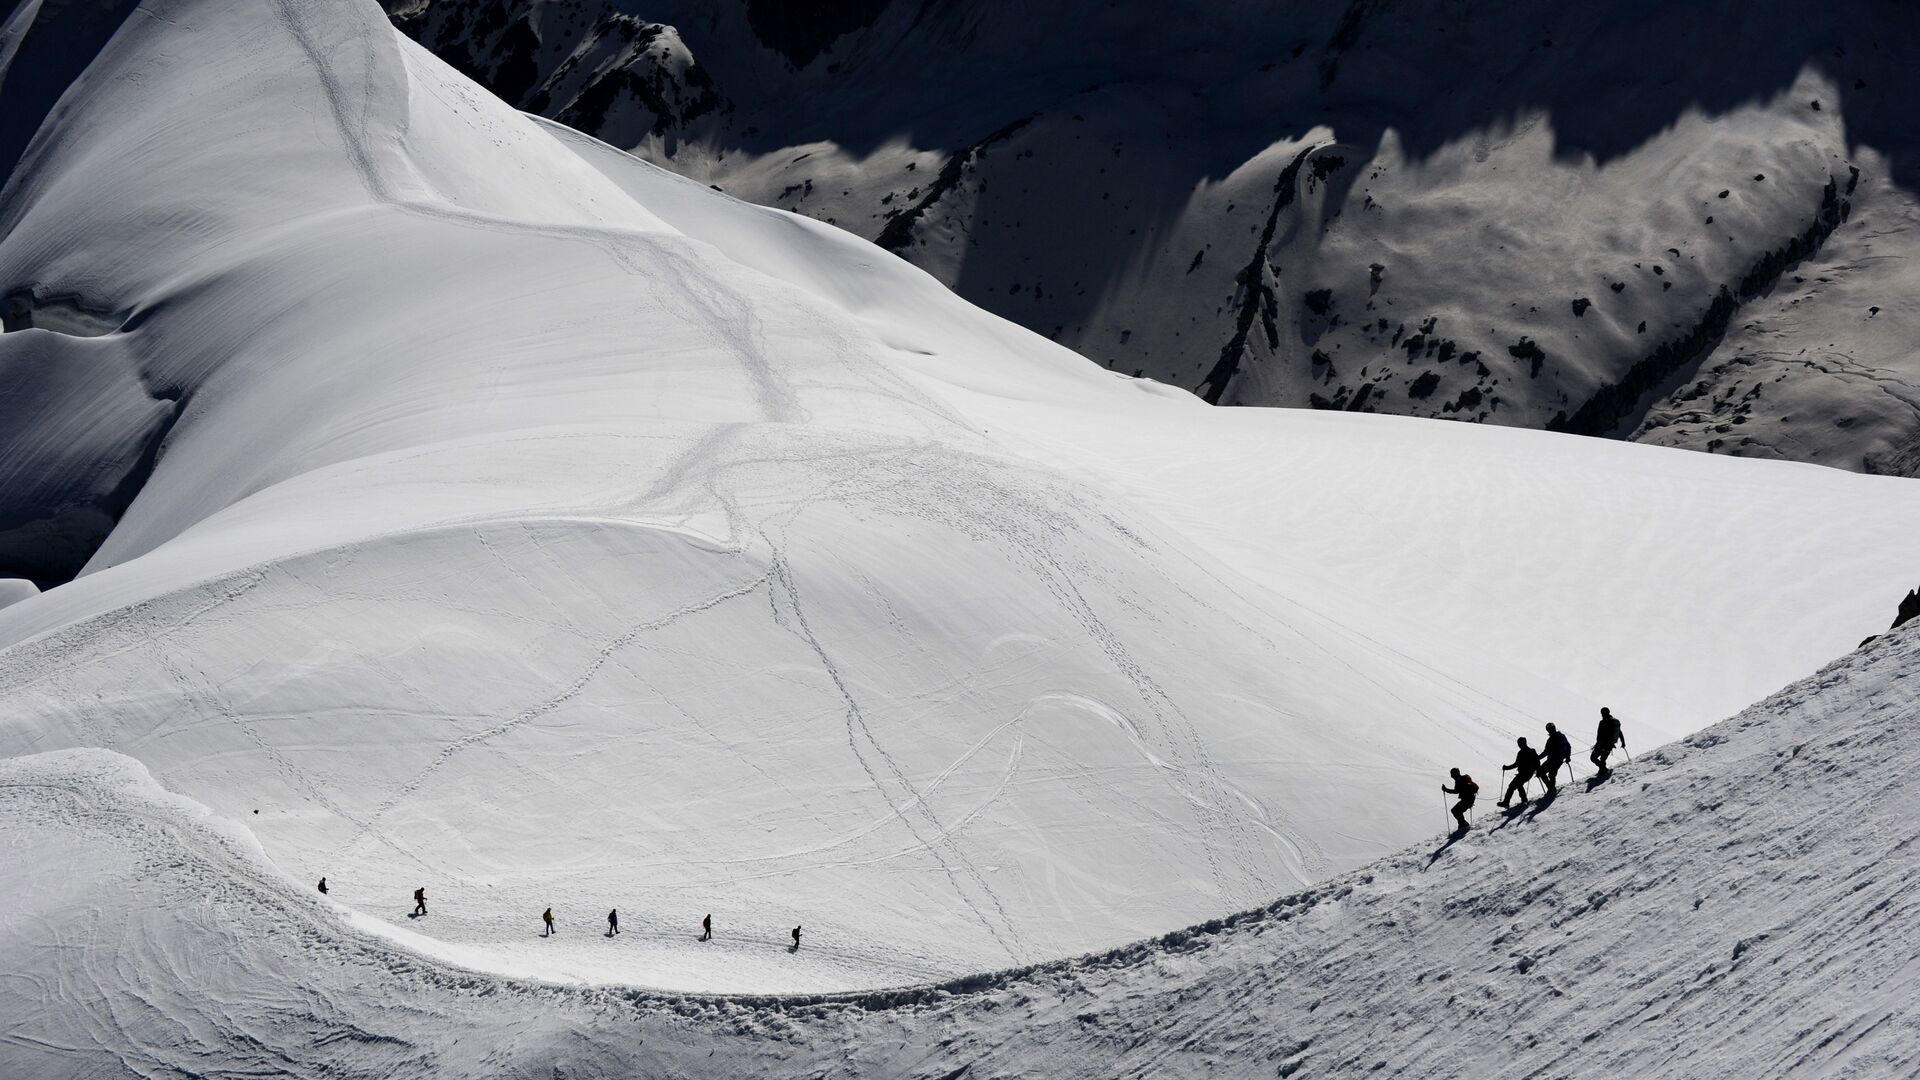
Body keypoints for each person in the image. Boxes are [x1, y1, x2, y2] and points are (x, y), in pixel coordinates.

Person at [1500, 737, 1539, 808]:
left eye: (1519, 744)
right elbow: (1537, 762)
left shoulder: (1521, 753)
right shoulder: (1532, 751)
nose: (1519, 745)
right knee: (1519, 784)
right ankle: (1524, 799)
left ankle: (1506, 802)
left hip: (1523, 774)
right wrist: (1536, 770)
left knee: (1512, 786)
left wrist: (1507, 768)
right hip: (1529, 773)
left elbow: (1516, 764)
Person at [1441, 768, 1478, 832]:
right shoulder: (1462, 778)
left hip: (1467, 800)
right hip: (1469, 799)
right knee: (1456, 811)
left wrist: (1445, 789)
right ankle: (1462, 824)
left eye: (1452, 774)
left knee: (1455, 811)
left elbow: (1456, 791)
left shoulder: (1459, 780)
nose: (1451, 776)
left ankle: (1463, 825)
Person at [1539, 722, 1572, 794]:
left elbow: (1546, 752)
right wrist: (1567, 757)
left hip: (1552, 760)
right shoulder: (1562, 736)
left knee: (1542, 772)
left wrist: (1537, 758)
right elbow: (1568, 746)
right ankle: (1551, 788)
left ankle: (1551, 788)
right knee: (1551, 774)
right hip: (1559, 760)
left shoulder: (1551, 739)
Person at [1591, 707, 1627, 773]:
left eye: (1602, 713)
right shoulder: (1614, 722)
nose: (1602, 714)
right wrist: (1623, 742)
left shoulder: (1602, 722)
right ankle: (1603, 770)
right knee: (1602, 759)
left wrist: (1597, 744)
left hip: (1602, 744)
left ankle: (1603, 770)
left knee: (1593, 758)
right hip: (1609, 745)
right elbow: (1619, 733)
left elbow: (1600, 735)